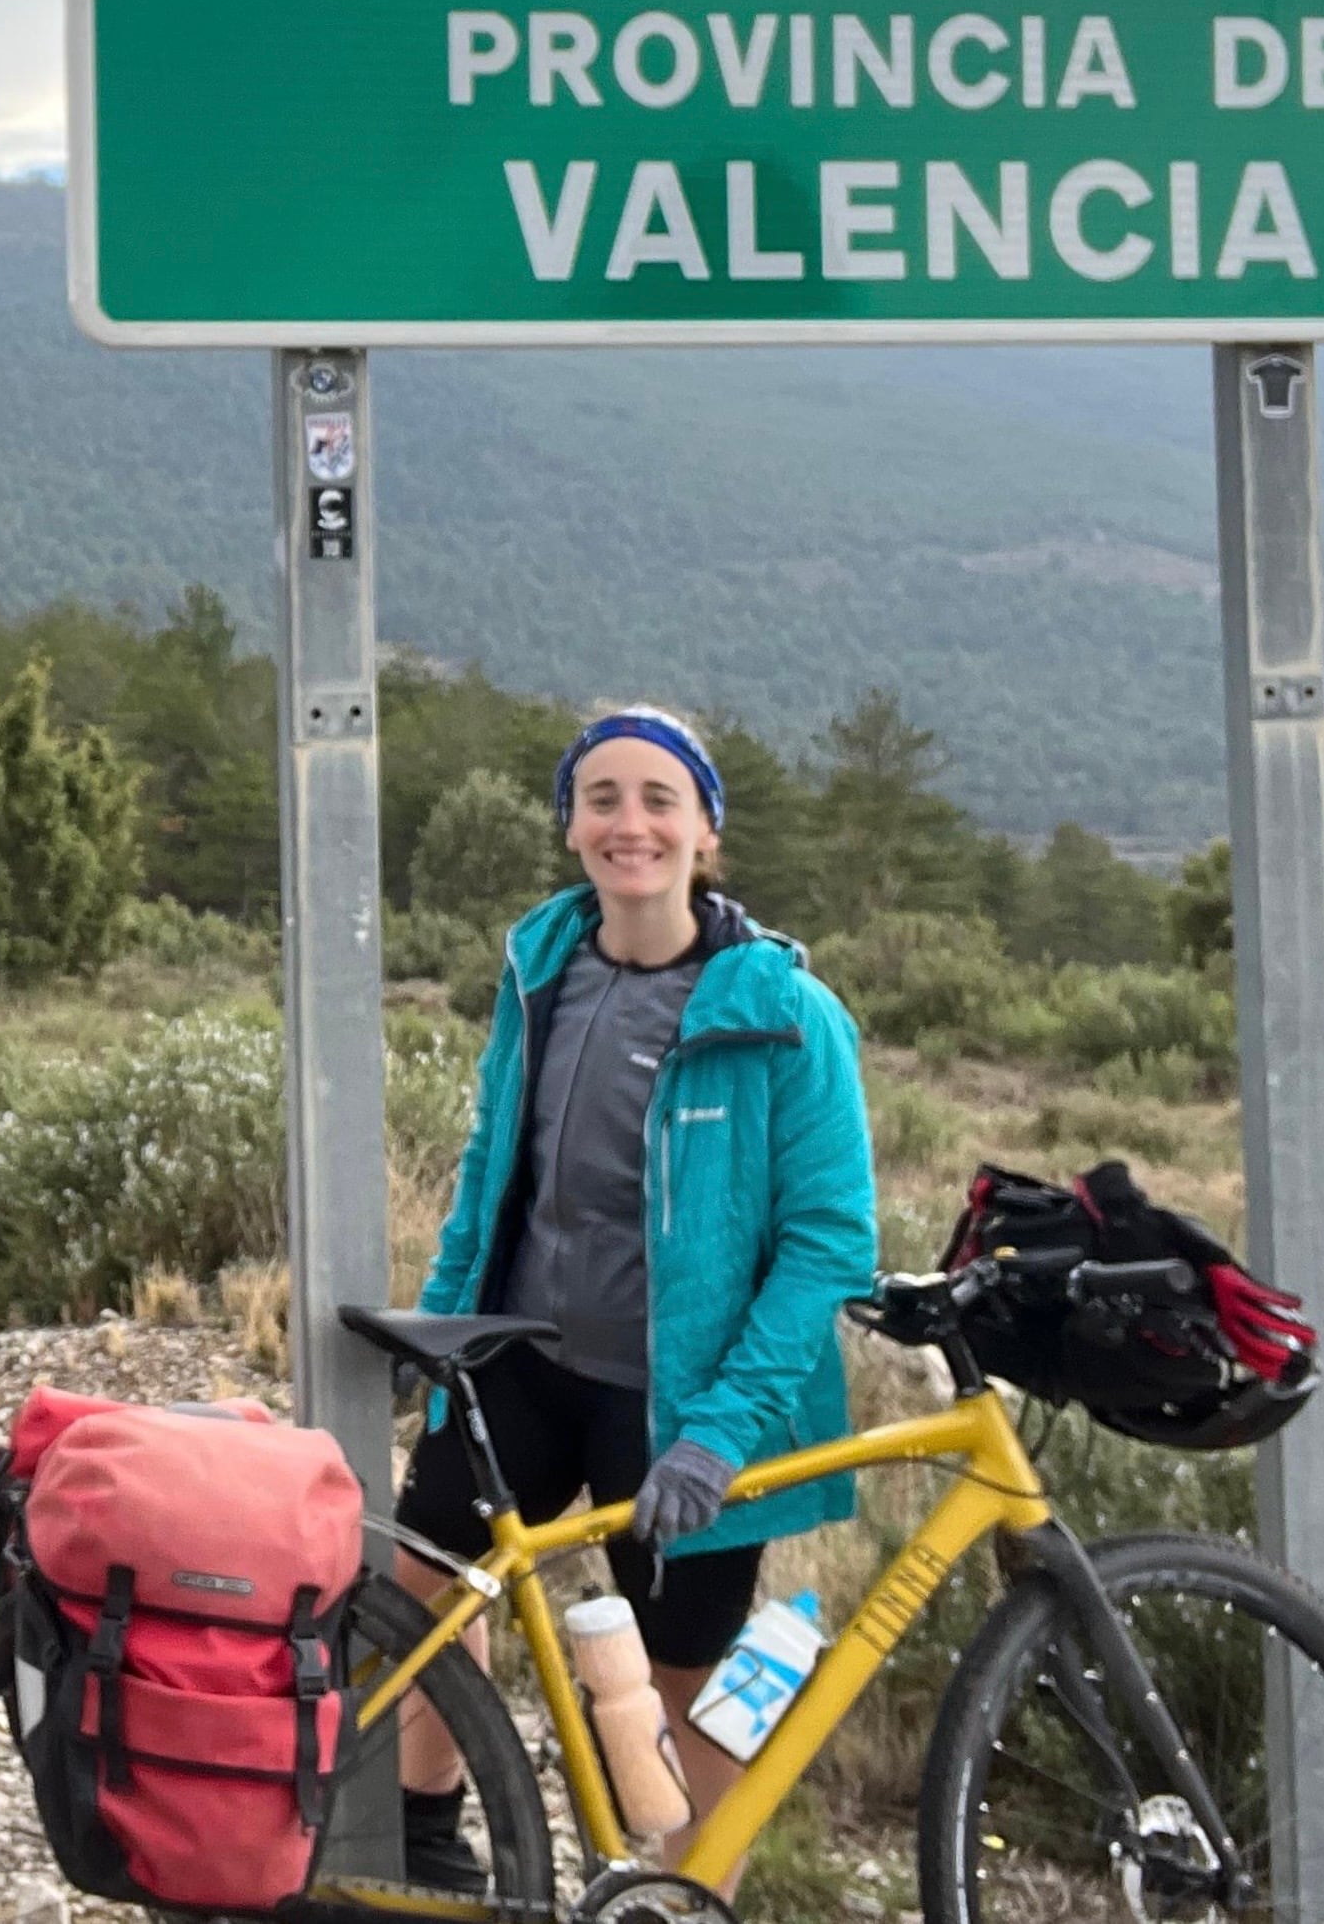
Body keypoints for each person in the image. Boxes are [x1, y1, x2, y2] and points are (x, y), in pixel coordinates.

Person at [390, 706, 877, 1890]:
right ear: (569, 825)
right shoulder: (540, 970)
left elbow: (826, 1246)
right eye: (600, 796)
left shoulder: (783, 1015)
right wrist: (439, 1323)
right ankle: (423, 1842)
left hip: (681, 1398)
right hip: (523, 1357)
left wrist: (720, 1432)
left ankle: (687, 1895)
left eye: (659, 798)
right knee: (426, 1590)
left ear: (706, 829)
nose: (629, 822)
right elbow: (488, 1164)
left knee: (686, 1676)